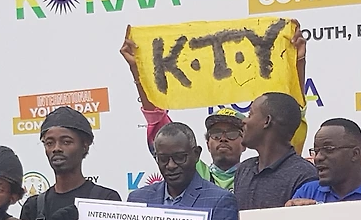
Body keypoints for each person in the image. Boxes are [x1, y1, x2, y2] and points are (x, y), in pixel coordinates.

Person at [120, 23, 311, 186]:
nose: (223, 139)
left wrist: (298, 62)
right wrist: (137, 69)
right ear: (206, 144)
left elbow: (291, 115)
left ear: (244, 142)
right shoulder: (195, 174)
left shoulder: (261, 170)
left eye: (232, 133)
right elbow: (158, 125)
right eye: (216, 134)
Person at [234, 92, 318, 210]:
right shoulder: (244, 169)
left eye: (250, 114)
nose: (244, 121)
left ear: (267, 121)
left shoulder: (304, 174)